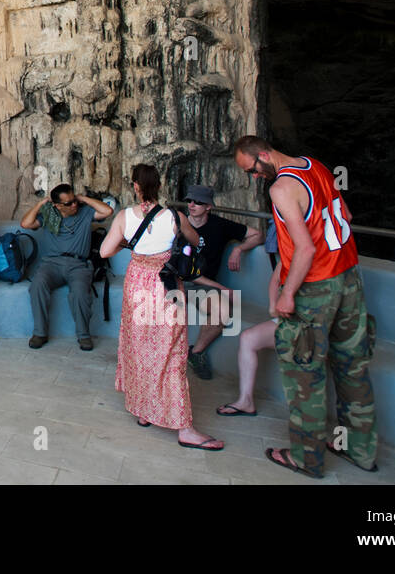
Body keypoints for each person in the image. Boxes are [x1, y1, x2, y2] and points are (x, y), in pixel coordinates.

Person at [233, 135, 377, 478]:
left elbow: (306, 249)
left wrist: (286, 294)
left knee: (304, 374)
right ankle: (358, 449)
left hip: (316, 287)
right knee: (352, 366)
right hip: (349, 278)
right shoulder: (316, 166)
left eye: (252, 169)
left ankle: (306, 458)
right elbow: (347, 215)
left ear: (264, 155)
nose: (254, 177)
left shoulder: (281, 188)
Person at [98, 163, 223, 451]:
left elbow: (106, 251)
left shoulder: (124, 217)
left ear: (135, 186)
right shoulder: (175, 216)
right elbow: (196, 241)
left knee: (140, 347)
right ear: (159, 185)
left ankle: (145, 411)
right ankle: (185, 428)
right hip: (167, 287)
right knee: (172, 352)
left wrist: (129, 242)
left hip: (138, 284)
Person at [180, 185, 265, 379]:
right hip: (176, 282)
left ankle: (196, 353)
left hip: (202, 288)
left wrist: (238, 249)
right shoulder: (178, 224)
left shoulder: (219, 226)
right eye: (189, 201)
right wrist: (221, 288)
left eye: (198, 202)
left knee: (223, 310)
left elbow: (257, 235)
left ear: (208, 206)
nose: (192, 205)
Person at [19, 184, 113, 351]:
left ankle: (83, 335)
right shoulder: (49, 215)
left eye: (74, 201)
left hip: (78, 264)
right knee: (37, 285)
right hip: (51, 264)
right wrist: (42, 204)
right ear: (57, 205)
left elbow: (108, 212)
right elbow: (26, 224)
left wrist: (82, 198)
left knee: (79, 292)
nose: (73, 205)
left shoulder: (85, 212)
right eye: (68, 203)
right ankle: (40, 333)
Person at [217, 218, 279, 417]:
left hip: (310, 318)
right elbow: (278, 276)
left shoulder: (307, 249)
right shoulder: (292, 250)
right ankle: (246, 400)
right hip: (287, 317)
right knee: (248, 338)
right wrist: (274, 305)